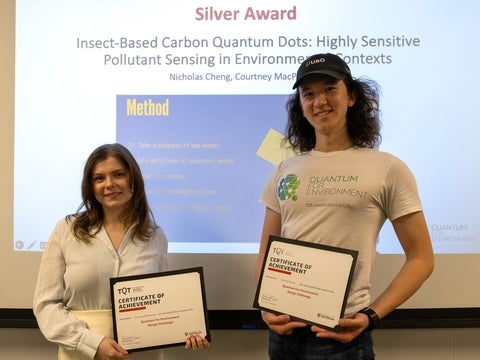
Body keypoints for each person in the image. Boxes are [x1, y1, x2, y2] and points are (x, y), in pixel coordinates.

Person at [255, 53, 434, 359]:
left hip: (341, 337)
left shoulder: (387, 168)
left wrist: (371, 316)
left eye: (329, 89)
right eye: (308, 94)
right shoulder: (285, 169)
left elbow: (421, 258)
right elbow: (268, 249)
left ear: (351, 96)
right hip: (284, 334)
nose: (319, 101)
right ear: (300, 104)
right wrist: (265, 305)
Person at [33, 143, 209, 360]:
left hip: (143, 353)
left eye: (118, 175)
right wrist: (92, 343)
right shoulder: (66, 231)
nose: (109, 184)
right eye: (99, 178)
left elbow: (164, 304)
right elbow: (46, 305)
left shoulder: (155, 236)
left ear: (133, 180)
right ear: (90, 185)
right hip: (81, 353)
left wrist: (187, 330)